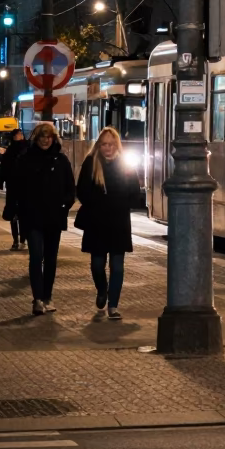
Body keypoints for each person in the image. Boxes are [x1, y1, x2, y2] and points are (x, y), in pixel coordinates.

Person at [9, 122, 75, 316]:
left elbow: (70, 188)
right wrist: (17, 208)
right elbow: (16, 186)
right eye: (42, 137)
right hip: (32, 216)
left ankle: (47, 296)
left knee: (51, 259)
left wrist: (64, 204)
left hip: (54, 216)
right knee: (36, 256)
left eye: (49, 137)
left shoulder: (61, 160)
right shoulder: (25, 160)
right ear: (36, 139)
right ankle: (38, 298)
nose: (45, 140)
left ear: (53, 138)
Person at [76, 127, 141, 320]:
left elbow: (135, 191)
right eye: (104, 144)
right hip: (96, 222)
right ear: (99, 145)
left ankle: (113, 305)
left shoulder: (125, 165)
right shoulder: (91, 163)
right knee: (97, 264)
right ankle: (102, 290)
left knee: (117, 265)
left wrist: (123, 205)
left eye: (111, 144)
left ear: (117, 145)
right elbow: (81, 190)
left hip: (118, 222)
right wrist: (94, 204)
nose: (108, 148)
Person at [0, 129, 28, 249]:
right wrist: (1, 181)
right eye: (16, 135)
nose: (19, 136)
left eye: (20, 134)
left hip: (24, 188)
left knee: (23, 215)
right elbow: (3, 167)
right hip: (12, 187)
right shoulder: (10, 151)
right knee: (13, 215)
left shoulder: (27, 149)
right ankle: (16, 240)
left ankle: (23, 240)